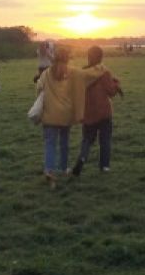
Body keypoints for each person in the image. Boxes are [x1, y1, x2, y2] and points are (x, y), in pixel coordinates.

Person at [37, 46, 106, 186]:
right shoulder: (73, 72)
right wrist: (102, 67)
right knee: (64, 143)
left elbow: (38, 88)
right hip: (65, 115)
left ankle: (49, 170)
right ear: (68, 59)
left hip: (49, 114)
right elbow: (89, 74)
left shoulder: (46, 73)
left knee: (50, 144)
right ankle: (63, 168)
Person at [71, 46, 123, 177]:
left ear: (88, 56)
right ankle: (104, 166)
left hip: (88, 112)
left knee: (87, 139)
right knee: (105, 140)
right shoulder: (104, 72)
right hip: (104, 112)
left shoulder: (82, 73)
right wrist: (116, 83)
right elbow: (111, 92)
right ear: (101, 57)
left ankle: (82, 158)